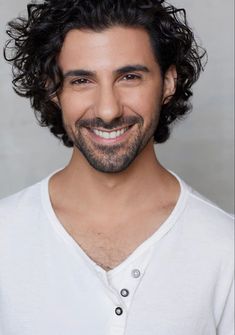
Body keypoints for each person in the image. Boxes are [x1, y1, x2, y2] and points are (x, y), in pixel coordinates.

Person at [0, 0, 234, 334]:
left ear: (168, 82)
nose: (108, 110)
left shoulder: (225, 249)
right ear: (53, 88)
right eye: (82, 80)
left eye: (129, 77)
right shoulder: (4, 238)